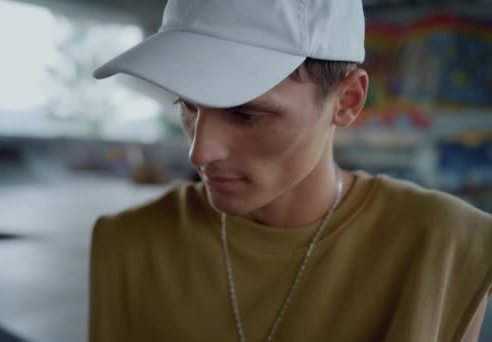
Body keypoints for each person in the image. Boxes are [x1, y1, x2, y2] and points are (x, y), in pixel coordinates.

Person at [89, 0, 492, 340]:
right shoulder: (127, 244)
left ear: (347, 100)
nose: (200, 152)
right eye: (186, 106)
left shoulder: (448, 245)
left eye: (246, 115)